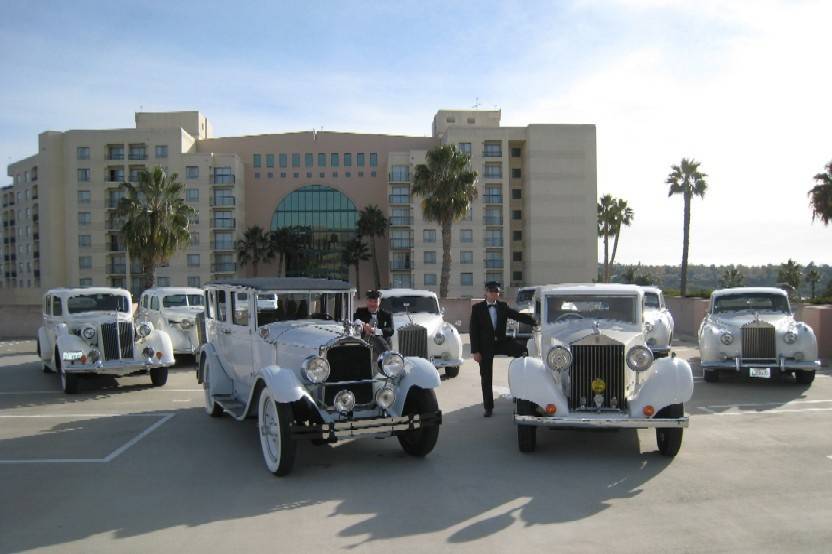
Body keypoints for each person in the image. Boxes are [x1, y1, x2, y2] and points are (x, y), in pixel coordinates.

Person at [470, 281, 537, 417]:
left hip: (501, 342)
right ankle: (488, 408)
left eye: (497, 291)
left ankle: (520, 391)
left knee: (522, 351)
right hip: (484, 347)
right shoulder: (477, 308)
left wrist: (535, 321)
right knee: (486, 377)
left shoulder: (503, 306)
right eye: (492, 291)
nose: (495, 293)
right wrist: (475, 351)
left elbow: (517, 316)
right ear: (486, 292)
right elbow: (473, 330)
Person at [353, 290, 394, 355]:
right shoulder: (360, 311)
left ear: (379, 302)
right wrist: (363, 325)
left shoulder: (387, 314)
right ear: (366, 301)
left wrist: (375, 330)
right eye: (370, 301)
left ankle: (388, 357)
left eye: (375, 302)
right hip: (365, 343)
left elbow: (391, 330)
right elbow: (355, 320)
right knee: (372, 336)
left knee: (375, 336)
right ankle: (389, 357)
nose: (372, 304)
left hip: (383, 343)